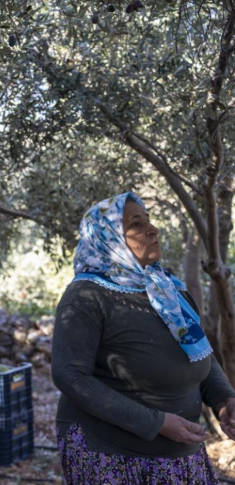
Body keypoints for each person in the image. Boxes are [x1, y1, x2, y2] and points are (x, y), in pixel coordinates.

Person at [52, 192, 235, 484]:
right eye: (136, 225)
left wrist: (224, 399)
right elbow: (70, 375)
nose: (153, 230)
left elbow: (198, 351)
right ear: (107, 238)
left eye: (149, 221)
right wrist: (156, 422)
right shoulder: (86, 296)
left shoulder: (166, 287)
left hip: (181, 449)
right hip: (112, 454)